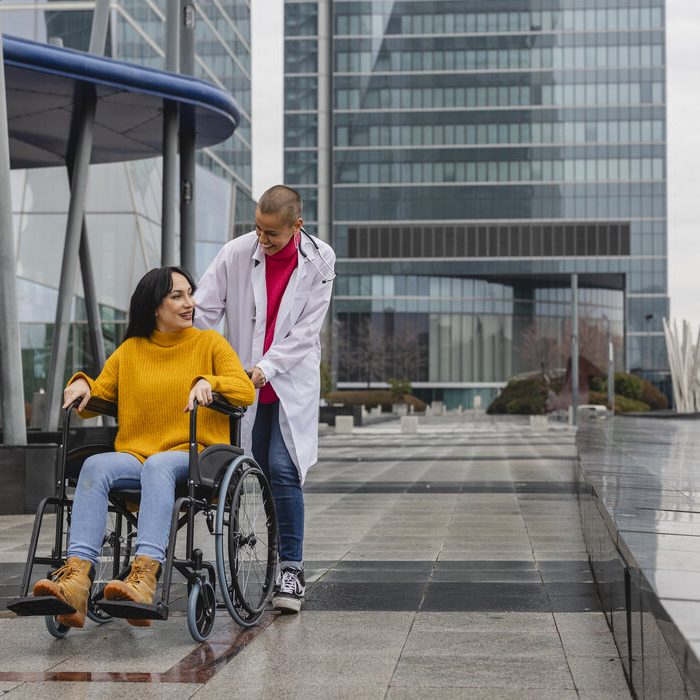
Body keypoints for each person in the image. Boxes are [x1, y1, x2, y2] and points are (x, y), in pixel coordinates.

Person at [32, 266, 255, 628]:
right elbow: (100, 393)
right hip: (140, 455)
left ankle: (144, 577)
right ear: (155, 307)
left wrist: (208, 381)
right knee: (95, 467)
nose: (189, 303)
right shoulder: (131, 350)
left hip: (196, 455)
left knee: (159, 466)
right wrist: (81, 386)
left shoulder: (209, 344)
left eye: (189, 294)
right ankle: (76, 579)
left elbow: (244, 390)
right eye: (177, 296)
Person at [195, 184, 335, 613]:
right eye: (257, 228)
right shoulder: (236, 252)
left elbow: (307, 331)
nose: (262, 239)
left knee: (282, 467)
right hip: (244, 382)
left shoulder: (320, 259)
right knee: (246, 470)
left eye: (271, 233)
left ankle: (291, 569)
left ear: (297, 225)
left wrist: (266, 368)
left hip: (289, 381)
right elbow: (203, 310)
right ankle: (242, 565)